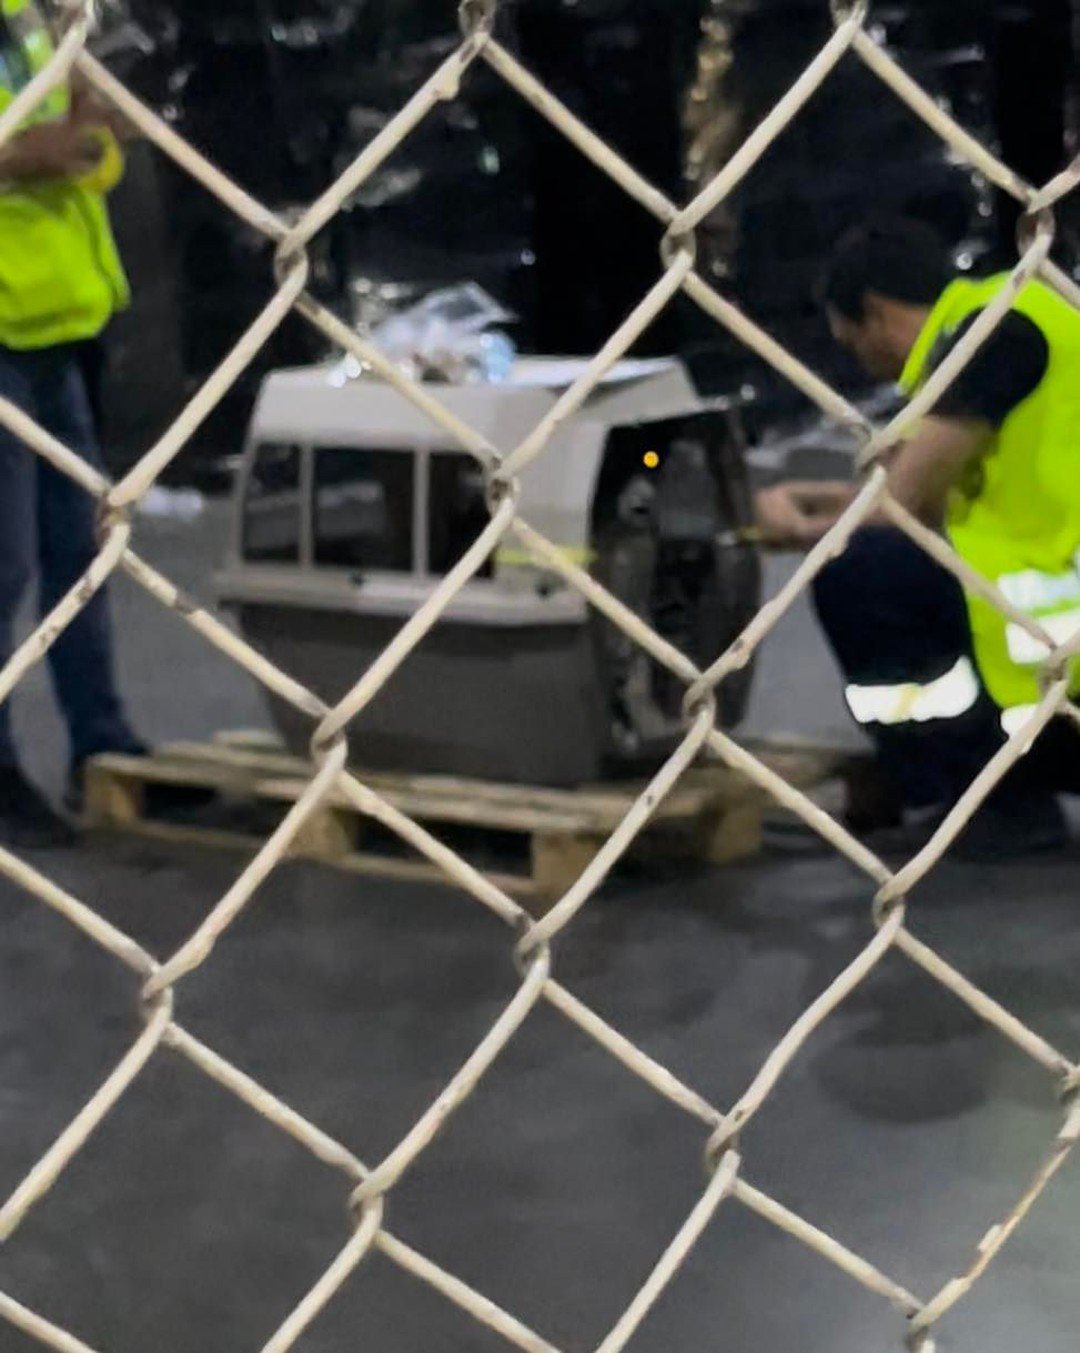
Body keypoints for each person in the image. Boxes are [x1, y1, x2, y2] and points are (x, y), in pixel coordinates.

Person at [754, 215, 1080, 856]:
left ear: (876, 315)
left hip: (1053, 664)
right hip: (1054, 658)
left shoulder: (995, 334)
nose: (864, 364)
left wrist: (804, 529)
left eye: (852, 343)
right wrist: (818, 502)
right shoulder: (1020, 313)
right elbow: (927, 494)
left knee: (865, 570)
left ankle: (972, 792)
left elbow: (901, 506)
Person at [0, 0, 144, 847]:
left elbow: (92, 153)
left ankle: (102, 746)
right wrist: (27, 155)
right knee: (5, 564)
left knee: (80, 554)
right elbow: (53, 148)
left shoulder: (32, 15)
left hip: (58, 325)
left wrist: (80, 142)